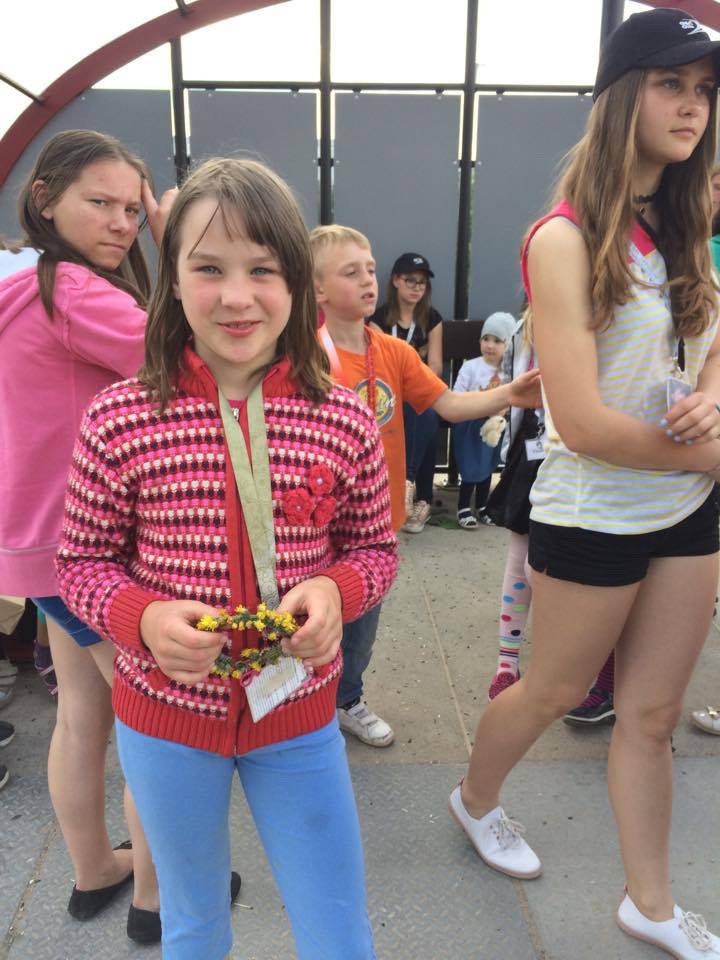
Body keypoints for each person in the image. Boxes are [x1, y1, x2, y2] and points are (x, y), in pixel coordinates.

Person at [56, 157, 399, 960]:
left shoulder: (344, 419)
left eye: (263, 270)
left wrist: (337, 589)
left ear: (298, 285)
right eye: (208, 268)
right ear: (172, 282)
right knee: (192, 923)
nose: (237, 296)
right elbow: (80, 562)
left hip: (299, 714)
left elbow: (376, 548)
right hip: (165, 721)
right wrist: (142, 618)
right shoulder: (118, 417)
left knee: (339, 932)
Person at [450, 10, 720, 957]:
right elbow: (585, 423)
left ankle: (650, 903)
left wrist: (711, 402)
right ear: (620, 95)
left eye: (703, 90)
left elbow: (714, 341)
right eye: (670, 84)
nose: (691, 106)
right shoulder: (561, 239)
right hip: (593, 510)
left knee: (651, 717)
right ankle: (475, 796)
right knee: (553, 690)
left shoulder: (690, 224)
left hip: (686, 507)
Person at [0, 130, 167, 941]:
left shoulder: (23, 285)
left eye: (134, 209)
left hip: (37, 548)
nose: (122, 223)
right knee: (157, 726)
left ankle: (95, 868)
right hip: (93, 553)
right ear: (45, 200)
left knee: (81, 718)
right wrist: (181, 239)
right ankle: (158, 901)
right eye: (100, 202)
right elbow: (196, 358)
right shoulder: (77, 291)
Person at [309, 224, 541, 747]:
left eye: (370, 269)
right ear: (317, 288)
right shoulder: (301, 355)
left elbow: (450, 405)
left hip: (376, 523)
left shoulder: (393, 352)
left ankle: (347, 699)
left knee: (361, 628)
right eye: (351, 272)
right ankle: (305, 710)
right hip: (314, 525)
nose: (368, 280)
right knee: (312, 626)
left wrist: (510, 394)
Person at [371, 252, 443, 534]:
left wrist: (416, 385)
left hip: (418, 389)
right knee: (419, 414)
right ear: (395, 281)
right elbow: (378, 365)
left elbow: (435, 366)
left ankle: (409, 488)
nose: (416, 287)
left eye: (422, 282)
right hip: (388, 393)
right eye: (410, 280)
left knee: (425, 411)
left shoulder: (432, 318)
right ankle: (418, 494)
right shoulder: (378, 318)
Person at [452, 312, 514, 528]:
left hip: (495, 425)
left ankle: (482, 506)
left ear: (508, 345)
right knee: (472, 465)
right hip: (471, 423)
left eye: (497, 341)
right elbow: (457, 394)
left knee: (488, 464)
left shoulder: (508, 371)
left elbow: (513, 397)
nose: (490, 345)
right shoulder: (471, 367)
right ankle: (463, 507)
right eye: (486, 339)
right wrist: (478, 404)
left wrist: (503, 410)